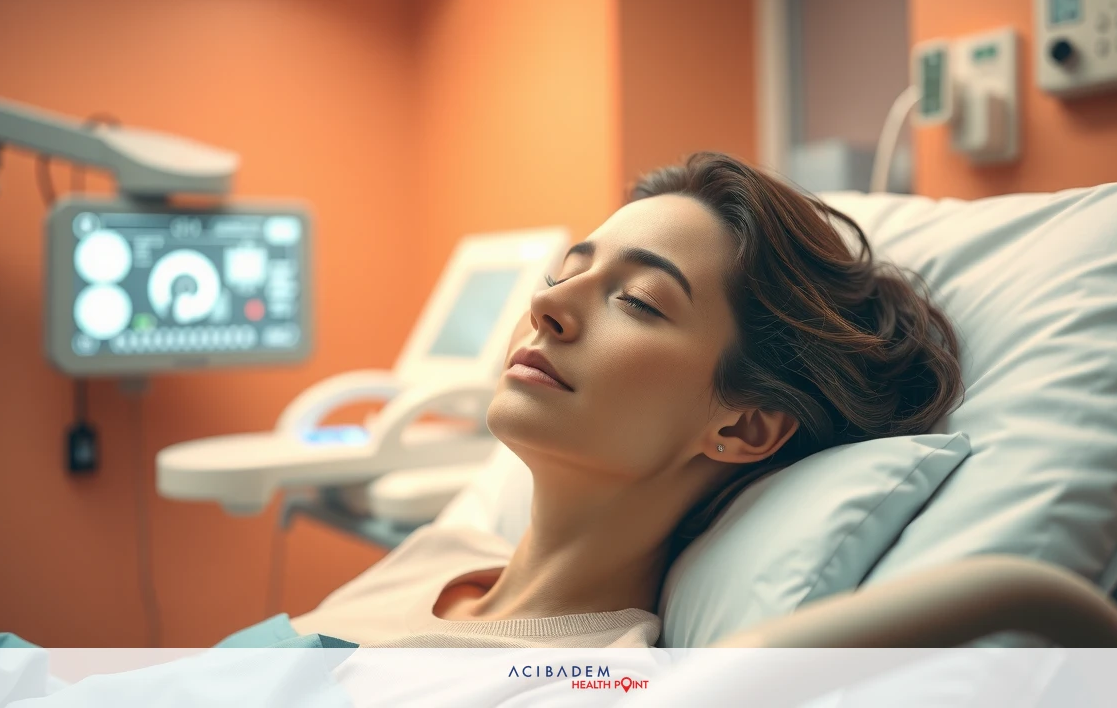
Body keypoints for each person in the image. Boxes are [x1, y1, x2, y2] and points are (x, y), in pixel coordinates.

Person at [290, 151, 965, 648]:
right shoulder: (440, 553)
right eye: (569, 272)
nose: (545, 303)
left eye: (637, 302)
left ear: (746, 425)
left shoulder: (586, 683)